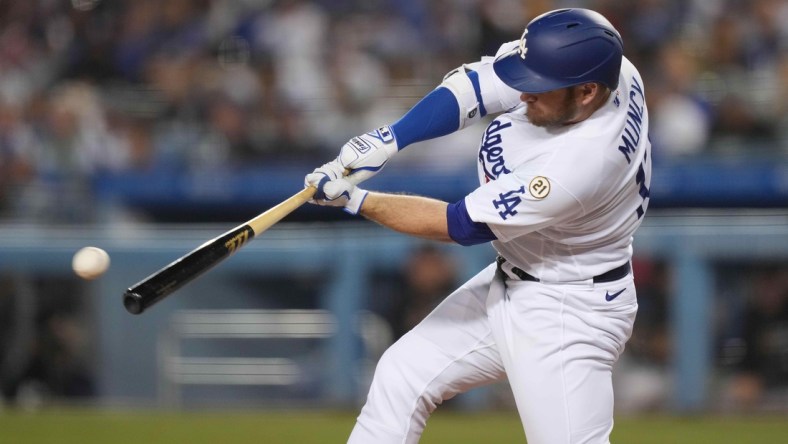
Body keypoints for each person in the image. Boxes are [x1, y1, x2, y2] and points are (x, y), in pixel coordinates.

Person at [305, 8, 651, 444]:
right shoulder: (609, 67)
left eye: (540, 88)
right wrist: (391, 138)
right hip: (518, 277)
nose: (526, 95)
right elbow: (480, 87)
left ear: (586, 92)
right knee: (402, 375)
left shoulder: (580, 164)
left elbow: (457, 225)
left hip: (569, 312)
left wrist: (355, 200)